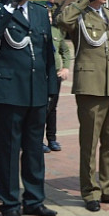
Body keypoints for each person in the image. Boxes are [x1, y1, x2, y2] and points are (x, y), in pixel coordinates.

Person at [0, 0, 59, 216]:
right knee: (9, 150)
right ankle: (10, 202)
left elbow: (48, 53)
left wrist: (51, 89)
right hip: (8, 91)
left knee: (34, 150)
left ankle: (34, 200)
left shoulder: (38, 12)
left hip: (36, 92)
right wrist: (11, 4)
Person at [58, 0, 109, 211]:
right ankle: (90, 192)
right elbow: (61, 21)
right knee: (89, 143)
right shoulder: (78, 14)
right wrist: (84, 0)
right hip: (91, 87)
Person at [44, 8, 71, 151]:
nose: (48, 18)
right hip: (40, 76)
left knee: (52, 108)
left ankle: (52, 139)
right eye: (45, 16)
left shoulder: (57, 31)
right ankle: (37, 140)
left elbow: (65, 50)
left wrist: (65, 67)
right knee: (41, 108)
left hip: (55, 75)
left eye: (49, 16)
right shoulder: (34, 30)